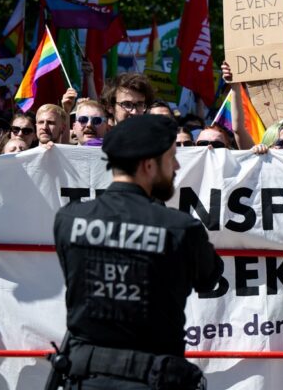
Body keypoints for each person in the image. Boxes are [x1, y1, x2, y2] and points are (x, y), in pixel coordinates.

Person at [51, 114, 223, 389]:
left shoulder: (69, 219)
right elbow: (209, 277)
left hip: (83, 379)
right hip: (151, 379)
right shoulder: (180, 229)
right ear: (149, 165)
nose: (177, 166)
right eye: (171, 158)